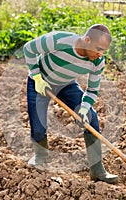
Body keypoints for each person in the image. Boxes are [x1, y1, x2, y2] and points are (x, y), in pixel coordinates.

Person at [23, 24, 118, 184]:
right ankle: (41, 157)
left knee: (91, 118)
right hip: (40, 82)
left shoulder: (97, 61)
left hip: (66, 84)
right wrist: (37, 78)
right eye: (98, 48)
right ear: (87, 40)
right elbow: (29, 49)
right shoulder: (60, 40)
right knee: (38, 128)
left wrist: (84, 109)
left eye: (104, 50)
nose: (100, 54)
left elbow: (92, 90)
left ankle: (97, 170)